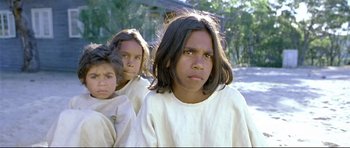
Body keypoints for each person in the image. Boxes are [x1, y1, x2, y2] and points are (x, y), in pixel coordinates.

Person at [126, 10, 267, 147]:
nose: (199, 64)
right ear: (168, 57)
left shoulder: (230, 101)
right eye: (188, 52)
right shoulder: (155, 103)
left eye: (207, 55)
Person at [46, 43, 135, 147]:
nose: (102, 83)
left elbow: (127, 140)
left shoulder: (122, 105)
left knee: (91, 119)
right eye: (94, 76)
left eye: (108, 76)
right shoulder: (76, 102)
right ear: (84, 80)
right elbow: (61, 134)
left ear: (117, 79)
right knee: (65, 116)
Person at [107, 29, 152, 114]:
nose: (131, 63)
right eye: (124, 55)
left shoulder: (142, 88)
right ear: (112, 54)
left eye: (137, 58)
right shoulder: (101, 83)